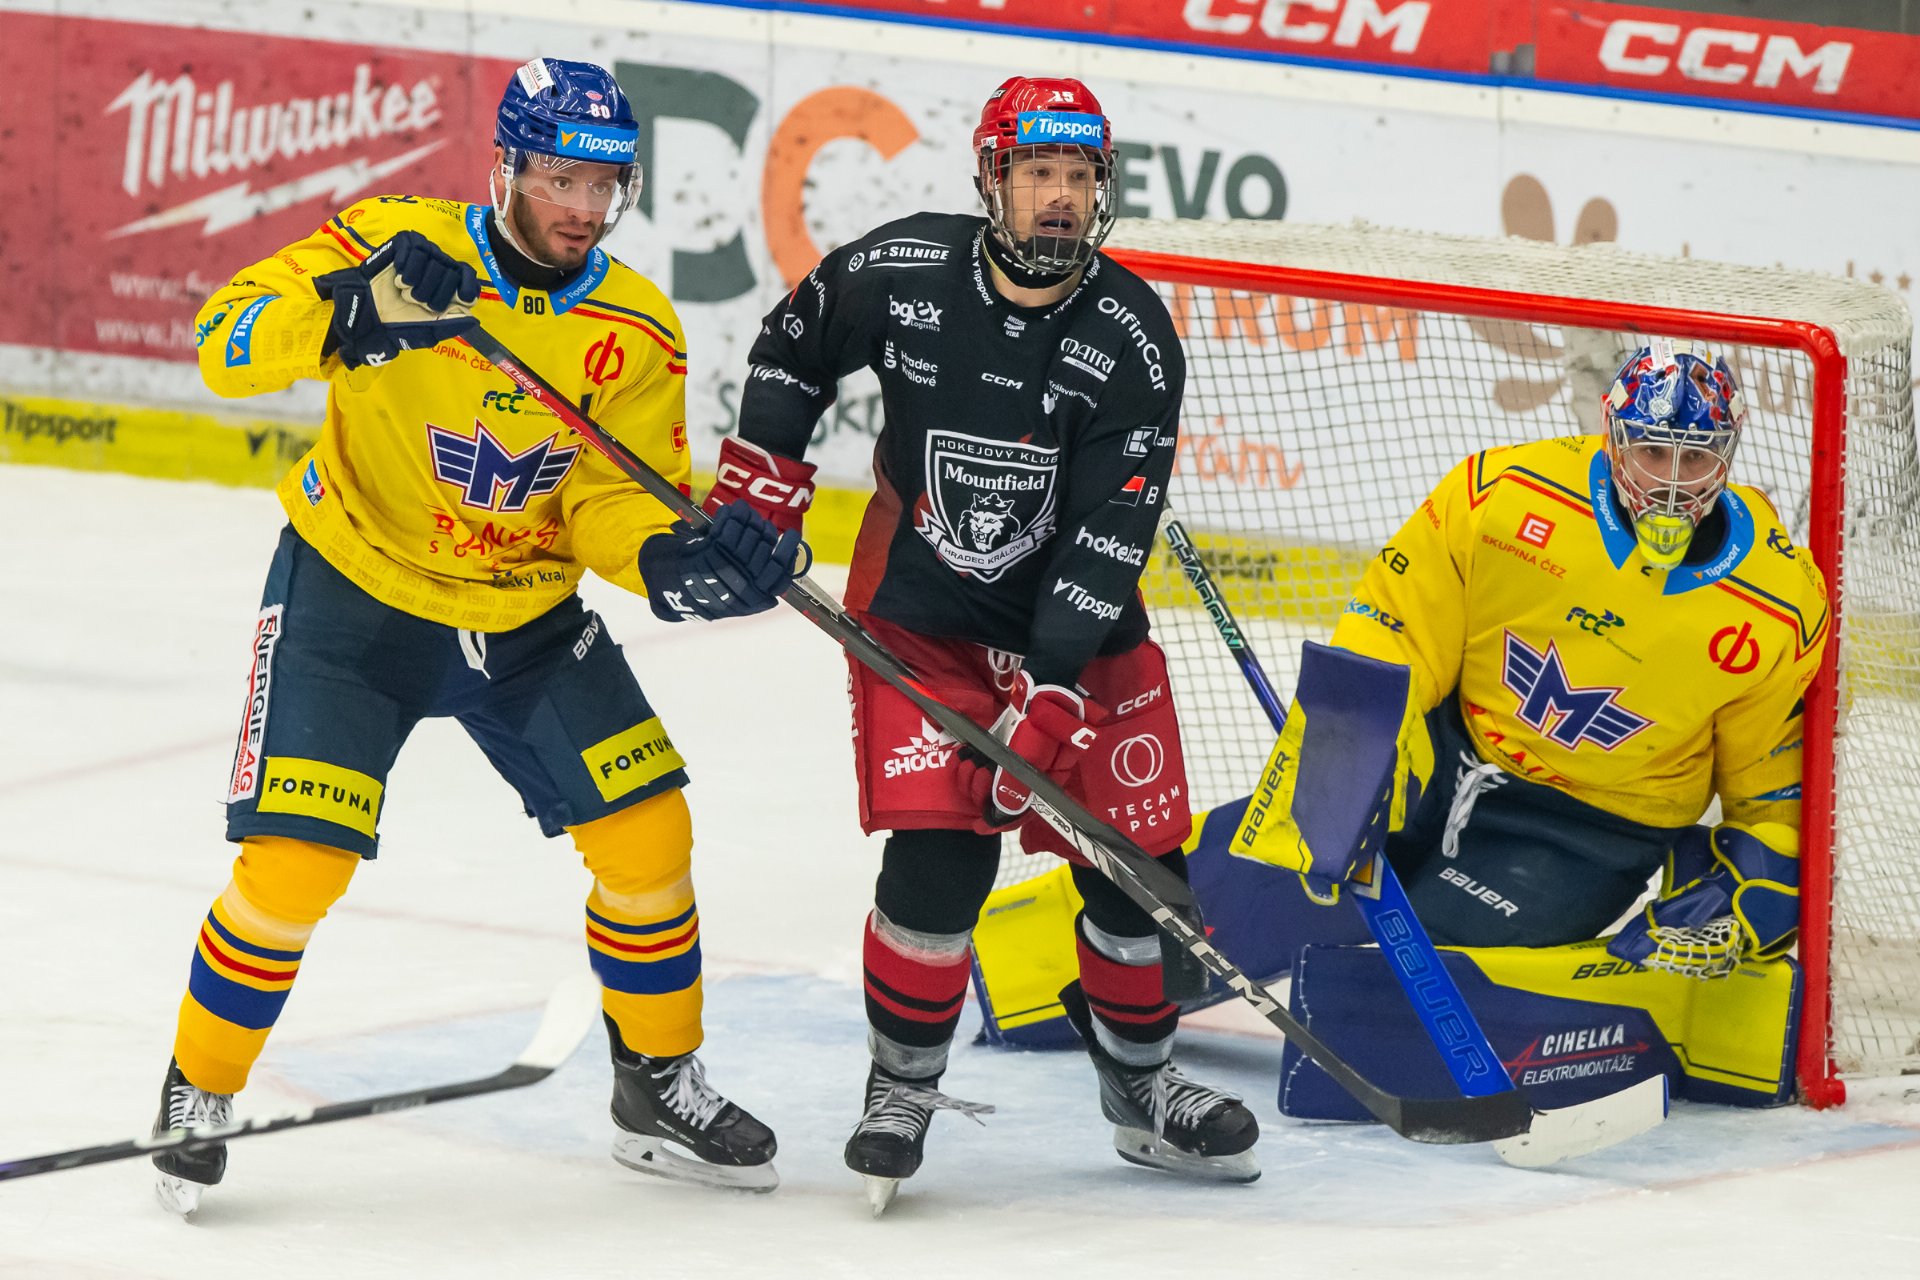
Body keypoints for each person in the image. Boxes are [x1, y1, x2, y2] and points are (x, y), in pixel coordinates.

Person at [154, 58, 800, 1214]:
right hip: (354, 596)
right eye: (559, 179)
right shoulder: (390, 241)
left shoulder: (634, 325)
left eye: (604, 185)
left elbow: (608, 496)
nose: (583, 208)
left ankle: (655, 1081)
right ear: (503, 167)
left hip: (522, 619)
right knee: (295, 864)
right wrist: (353, 312)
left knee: (650, 834)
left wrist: (670, 559)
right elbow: (224, 340)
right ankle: (197, 1085)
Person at [705, 75, 1259, 1206]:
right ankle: (900, 1089)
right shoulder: (902, 269)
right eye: (1038, 172)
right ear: (992, 180)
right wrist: (762, 491)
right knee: (939, 860)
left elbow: (1108, 536)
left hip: (1078, 636)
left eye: (1079, 176)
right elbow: (792, 348)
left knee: (1140, 875)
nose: (1060, 196)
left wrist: (1052, 690)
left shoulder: (1133, 337)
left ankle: (1142, 1085)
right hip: (926, 619)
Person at [1235, 340, 1822, 984]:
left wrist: (1752, 890)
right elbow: (1396, 628)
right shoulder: (1504, 495)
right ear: (1614, 438)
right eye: (1653, 451)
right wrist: (1351, 749)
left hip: (1589, 835)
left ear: (1728, 453)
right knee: (1229, 895)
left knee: (1387, 986)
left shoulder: (1777, 602)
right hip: (1447, 762)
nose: (1672, 481)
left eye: (1697, 455)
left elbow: (1770, 787)